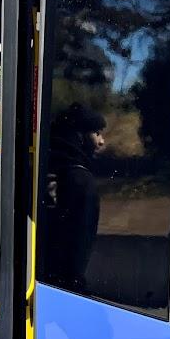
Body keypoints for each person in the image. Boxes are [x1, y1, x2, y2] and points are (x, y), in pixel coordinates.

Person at [44, 103, 106, 293]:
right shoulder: (81, 181)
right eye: (97, 133)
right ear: (79, 136)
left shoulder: (50, 169)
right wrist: (76, 283)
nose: (102, 141)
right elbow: (79, 243)